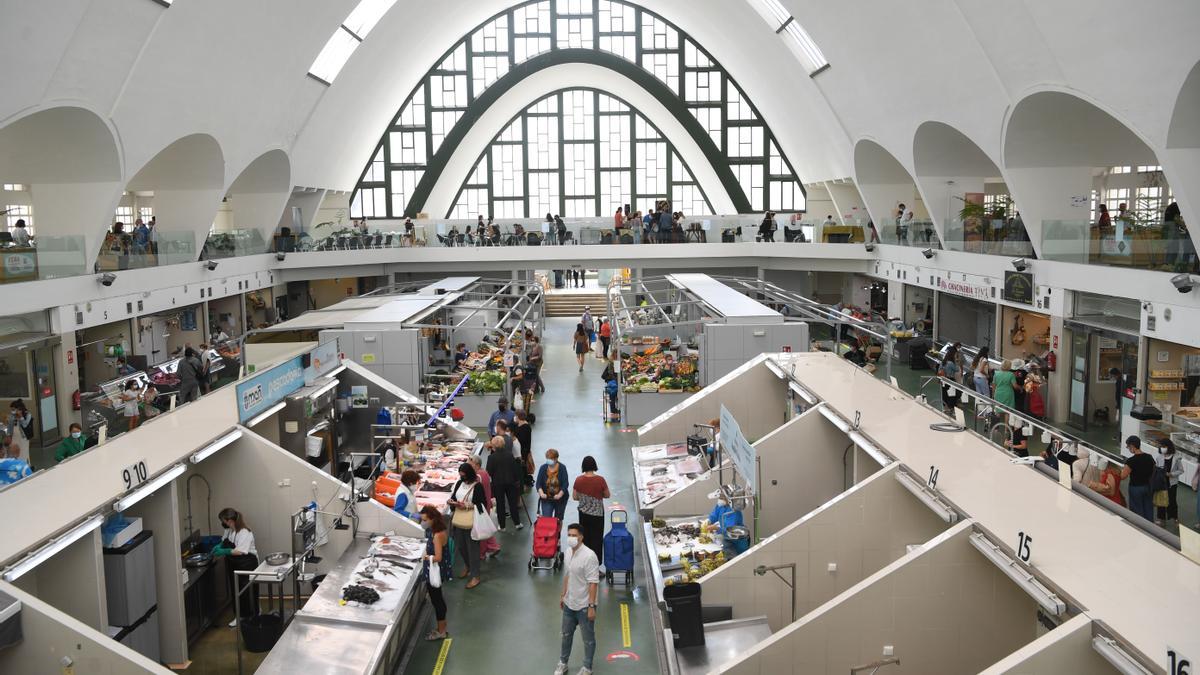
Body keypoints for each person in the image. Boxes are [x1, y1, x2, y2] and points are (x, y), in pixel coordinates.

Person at [555, 523, 599, 675]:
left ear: (581, 537)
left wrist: (591, 606)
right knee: (566, 635)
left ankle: (587, 667)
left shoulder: (589, 556)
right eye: (569, 535)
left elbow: (593, 582)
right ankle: (563, 663)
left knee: (588, 639)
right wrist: (563, 594)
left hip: (584, 605)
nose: (571, 538)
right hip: (569, 603)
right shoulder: (567, 552)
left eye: (574, 535)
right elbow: (568, 574)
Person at [215, 507, 258, 626]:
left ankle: (253, 614)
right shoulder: (229, 530)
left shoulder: (245, 532)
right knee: (236, 590)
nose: (222, 523)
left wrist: (225, 551)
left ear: (229, 521)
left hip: (247, 563)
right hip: (235, 564)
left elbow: (240, 551)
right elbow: (224, 541)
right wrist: (219, 546)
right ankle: (240, 616)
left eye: (223, 520)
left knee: (247, 591)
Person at [448, 462, 486, 589]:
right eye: (460, 475)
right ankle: (468, 566)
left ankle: (475, 575)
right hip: (458, 520)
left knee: (473, 549)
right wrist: (452, 502)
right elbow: (454, 496)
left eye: (463, 475)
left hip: (471, 522)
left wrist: (467, 506)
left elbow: (482, 504)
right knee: (461, 546)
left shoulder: (478, 486)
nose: (461, 477)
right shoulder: (459, 483)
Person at [419, 505, 451, 641]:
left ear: (432, 519)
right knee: (436, 597)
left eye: (425, 520)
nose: (423, 522)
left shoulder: (438, 535)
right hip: (435, 569)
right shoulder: (436, 529)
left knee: (437, 600)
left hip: (435, 570)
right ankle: (441, 627)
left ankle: (441, 631)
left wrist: (426, 557)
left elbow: (438, 557)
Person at [572, 456, 610, 565]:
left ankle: (585, 565)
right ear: (594, 466)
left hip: (583, 515)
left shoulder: (578, 480)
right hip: (597, 515)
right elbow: (607, 495)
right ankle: (595, 567)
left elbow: (574, 497)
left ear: (583, 466)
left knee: (585, 539)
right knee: (597, 540)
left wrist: (584, 498)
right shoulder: (600, 480)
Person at [487, 436, 524, 531]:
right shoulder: (509, 455)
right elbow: (514, 469)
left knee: (500, 504)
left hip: (498, 484)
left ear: (494, 445)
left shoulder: (491, 457)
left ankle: (502, 526)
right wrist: (517, 481)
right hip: (510, 482)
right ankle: (517, 523)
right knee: (512, 503)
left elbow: (489, 472)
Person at [468, 454, 501, 560]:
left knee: (480, 528)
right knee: (485, 526)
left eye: (470, 462)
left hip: (480, 505)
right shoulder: (484, 473)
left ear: (476, 464)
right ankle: (493, 546)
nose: (468, 464)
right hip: (486, 503)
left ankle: (481, 553)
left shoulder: (478, 476)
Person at [1120, 435, 1155, 521]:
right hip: (1148, 487)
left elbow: (1123, 476)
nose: (1128, 449)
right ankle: (1150, 528)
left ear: (1132, 446)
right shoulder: (1149, 457)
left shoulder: (1131, 461)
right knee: (1148, 509)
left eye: (1128, 447)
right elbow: (1154, 471)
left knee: (1137, 510)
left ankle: (1139, 529)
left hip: (1136, 488)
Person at [1156, 439, 1184, 524]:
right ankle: (1161, 518)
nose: (1162, 448)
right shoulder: (1159, 457)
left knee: (1172, 501)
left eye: (1164, 446)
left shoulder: (1176, 458)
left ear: (1169, 447)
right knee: (1161, 500)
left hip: (1172, 483)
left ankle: (1175, 518)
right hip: (1161, 483)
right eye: (1161, 446)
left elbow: (1181, 470)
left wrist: (1171, 474)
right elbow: (1157, 468)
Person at [537, 449, 570, 520]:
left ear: (556, 459)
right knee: (547, 518)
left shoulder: (562, 468)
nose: (549, 460)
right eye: (547, 458)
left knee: (558, 519)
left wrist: (559, 495)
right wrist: (541, 493)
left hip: (561, 499)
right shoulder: (543, 468)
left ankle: (558, 531)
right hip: (547, 499)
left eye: (551, 459)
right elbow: (538, 483)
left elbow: (565, 484)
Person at [938, 343, 962, 413]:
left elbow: (939, 369)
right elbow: (957, 369)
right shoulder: (951, 363)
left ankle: (945, 407)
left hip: (943, 379)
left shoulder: (944, 362)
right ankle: (950, 407)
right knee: (952, 394)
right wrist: (957, 362)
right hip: (950, 379)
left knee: (944, 394)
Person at [513, 410, 534, 485]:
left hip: (523, 451)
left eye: (515, 415)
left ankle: (523, 481)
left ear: (518, 416)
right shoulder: (518, 424)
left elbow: (522, 440)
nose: (514, 417)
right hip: (519, 450)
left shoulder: (526, 427)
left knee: (521, 467)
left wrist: (514, 438)